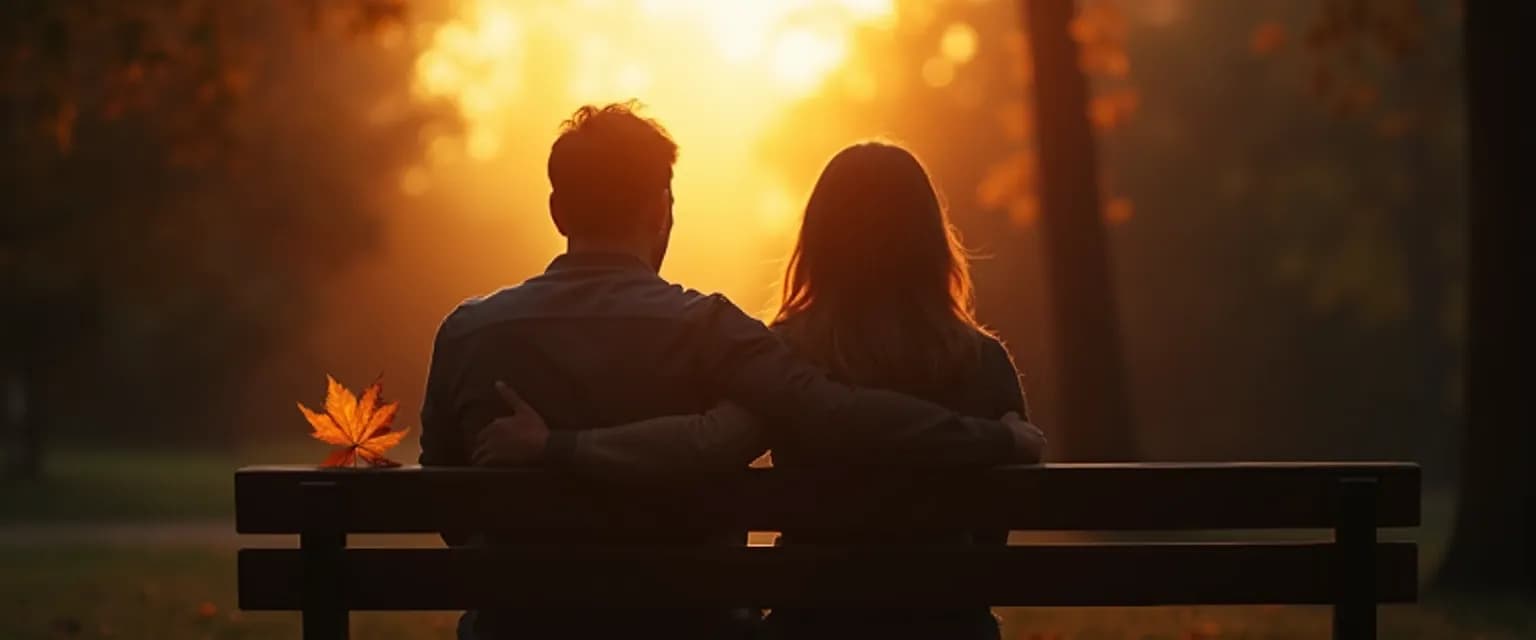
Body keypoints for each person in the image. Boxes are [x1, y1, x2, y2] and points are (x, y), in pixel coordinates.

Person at [420, 103, 1043, 640]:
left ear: (558, 211)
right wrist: (992, 438)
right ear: (660, 208)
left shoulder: (468, 332)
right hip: (688, 627)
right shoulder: (711, 333)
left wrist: (552, 457)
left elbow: (447, 505)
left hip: (516, 629)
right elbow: (834, 415)